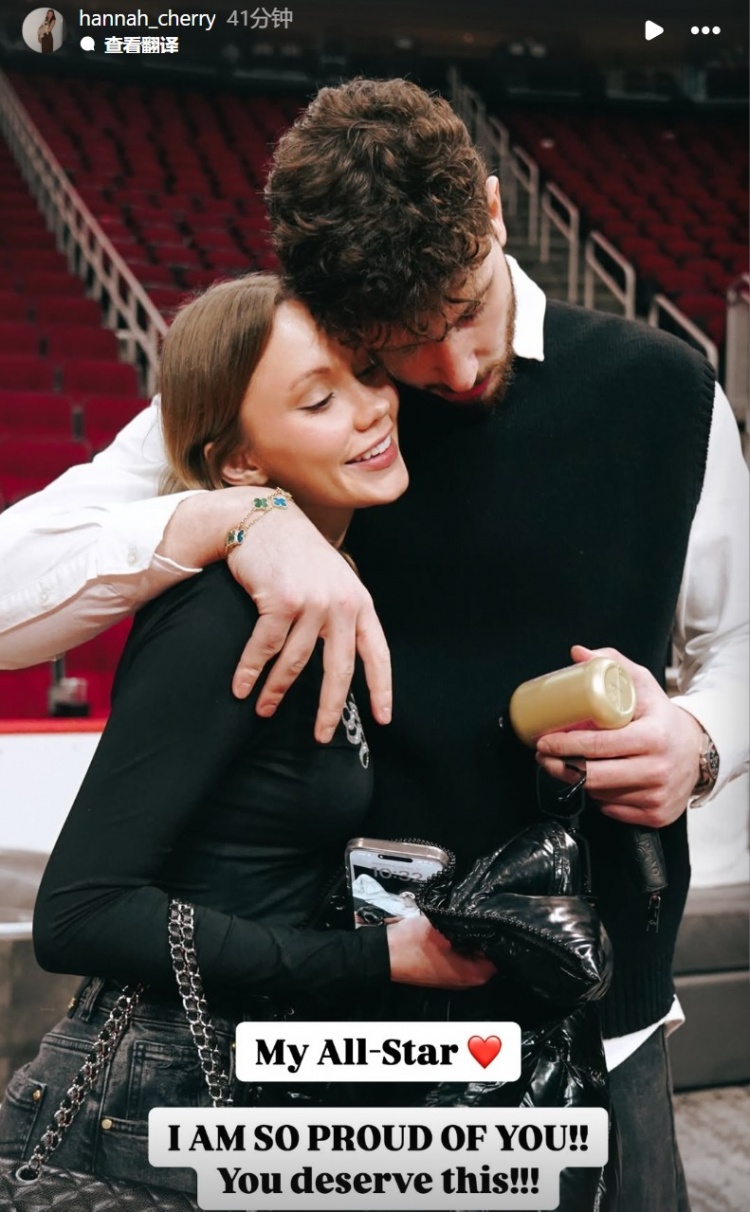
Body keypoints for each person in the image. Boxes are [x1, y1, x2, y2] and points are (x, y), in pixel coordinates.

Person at [0, 77, 747, 1212]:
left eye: (464, 308)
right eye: (398, 345)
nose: (453, 370)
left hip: (596, 1007)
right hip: (336, 1030)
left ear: (492, 207)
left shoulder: (668, 392)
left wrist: (697, 740)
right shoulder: (294, 383)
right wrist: (230, 517)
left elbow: (738, 642)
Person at [0, 274, 495, 1197]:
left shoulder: (324, 589)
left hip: (242, 1072)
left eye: (366, 372)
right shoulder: (222, 614)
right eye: (317, 400)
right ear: (240, 464)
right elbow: (79, 913)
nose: (371, 410)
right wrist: (375, 958)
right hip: (155, 1093)